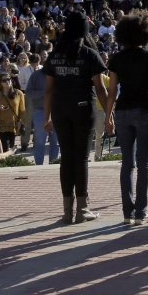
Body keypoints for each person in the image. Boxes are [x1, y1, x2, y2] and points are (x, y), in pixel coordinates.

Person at [43, 12, 109, 224]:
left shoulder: (54, 55)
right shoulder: (89, 54)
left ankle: (66, 211)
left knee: (67, 158)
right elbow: (100, 88)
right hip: (83, 108)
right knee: (81, 159)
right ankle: (82, 208)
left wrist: (47, 118)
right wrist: (109, 115)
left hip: (60, 109)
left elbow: (48, 91)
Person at [104, 11, 148, 225]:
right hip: (145, 108)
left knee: (127, 163)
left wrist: (108, 117)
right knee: (144, 162)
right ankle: (141, 212)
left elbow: (111, 92)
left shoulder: (117, 58)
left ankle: (127, 213)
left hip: (122, 110)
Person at [25, 56, 57, 164]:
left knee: (56, 142)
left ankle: (54, 164)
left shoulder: (59, 75)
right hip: (40, 111)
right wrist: (45, 93)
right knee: (39, 142)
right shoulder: (36, 75)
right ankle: (39, 166)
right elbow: (28, 93)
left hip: (56, 112)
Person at [0, 74, 25, 151]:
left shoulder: (18, 93)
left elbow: (22, 110)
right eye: (4, 80)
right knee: (3, 148)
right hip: (0, 126)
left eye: (9, 79)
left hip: (13, 125)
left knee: (11, 148)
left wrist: (20, 121)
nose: (7, 82)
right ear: (0, 83)